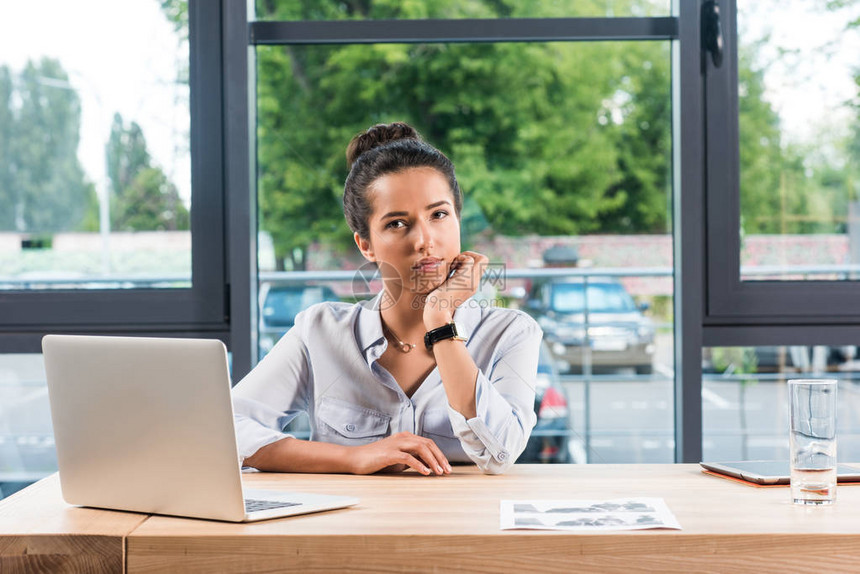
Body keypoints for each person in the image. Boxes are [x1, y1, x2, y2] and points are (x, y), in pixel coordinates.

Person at [233, 122, 542, 475]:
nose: (424, 240)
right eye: (397, 223)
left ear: (458, 219)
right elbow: (228, 430)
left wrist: (440, 319)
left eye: (438, 215)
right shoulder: (320, 331)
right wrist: (352, 458)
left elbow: (500, 454)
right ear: (366, 244)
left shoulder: (511, 333)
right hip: (353, 528)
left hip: (466, 527)